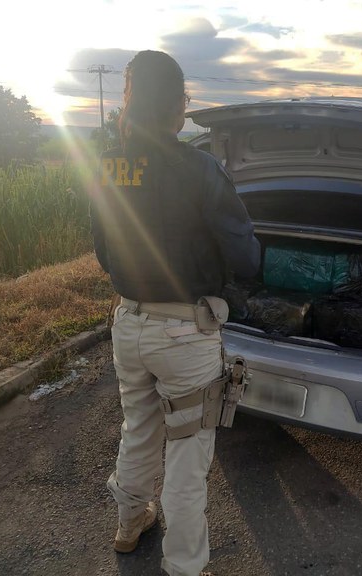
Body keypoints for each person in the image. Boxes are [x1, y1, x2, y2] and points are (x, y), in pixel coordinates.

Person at [90, 50, 260, 576]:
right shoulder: (200, 168)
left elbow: (102, 249)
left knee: (138, 425)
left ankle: (129, 522)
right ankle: (185, 564)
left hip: (129, 322)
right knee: (188, 450)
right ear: (176, 107)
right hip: (185, 332)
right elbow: (243, 252)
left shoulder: (108, 166)